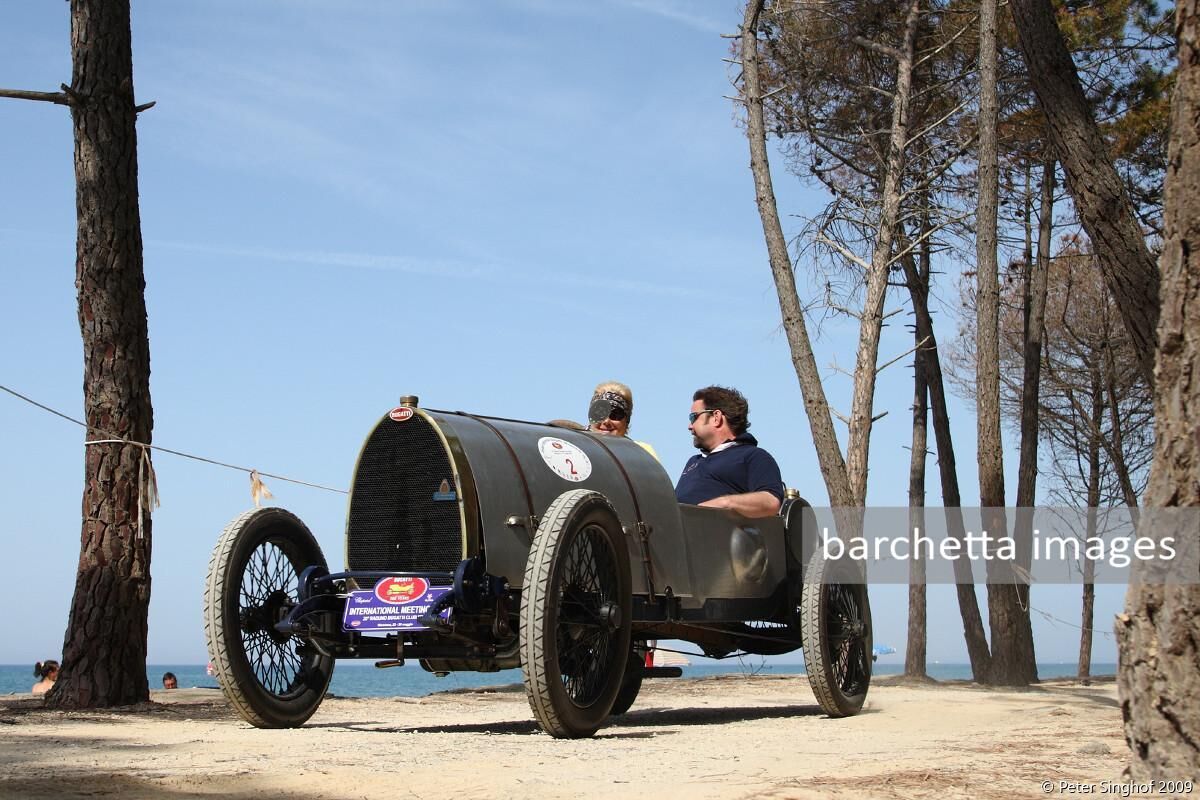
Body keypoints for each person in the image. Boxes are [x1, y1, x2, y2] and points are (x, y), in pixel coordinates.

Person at [675, 385, 784, 517]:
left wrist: (724, 503)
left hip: (715, 535)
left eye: (693, 417)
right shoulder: (693, 461)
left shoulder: (754, 456)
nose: (690, 426)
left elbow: (771, 501)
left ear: (716, 417)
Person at [586, 380, 659, 459]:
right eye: (600, 413)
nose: (606, 421)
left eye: (615, 415)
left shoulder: (643, 452)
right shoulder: (576, 449)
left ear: (627, 420)